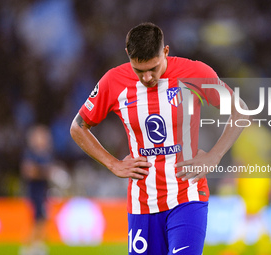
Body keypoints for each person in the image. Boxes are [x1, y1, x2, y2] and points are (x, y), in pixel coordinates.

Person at [70, 22, 248, 255]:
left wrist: (215, 155)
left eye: (153, 68)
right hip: (142, 202)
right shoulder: (114, 82)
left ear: (165, 52)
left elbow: (240, 110)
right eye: (139, 70)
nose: (146, 77)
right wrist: (113, 163)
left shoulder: (195, 73)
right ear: (128, 56)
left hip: (187, 196)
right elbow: (78, 127)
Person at [20, 125, 53, 255]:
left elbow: (42, 171)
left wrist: (40, 171)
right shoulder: (30, 153)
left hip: (44, 190)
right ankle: (28, 246)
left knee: (43, 218)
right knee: (37, 218)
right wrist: (43, 171)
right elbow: (28, 171)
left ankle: (37, 245)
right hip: (34, 191)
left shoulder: (46, 154)